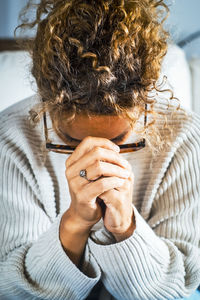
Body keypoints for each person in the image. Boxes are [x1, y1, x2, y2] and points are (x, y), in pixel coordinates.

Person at [0, 0, 200, 299]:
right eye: (70, 143)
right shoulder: (10, 138)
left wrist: (125, 226)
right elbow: (13, 290)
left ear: (144, 103)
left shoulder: (185, 136)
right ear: (45, 101)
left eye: (119, 141)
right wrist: (75, 222)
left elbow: (178, 291)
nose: (95, 163)